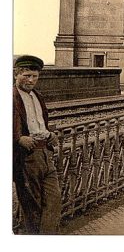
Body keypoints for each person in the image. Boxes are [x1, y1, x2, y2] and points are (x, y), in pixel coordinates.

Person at [12, 54, 62, 234]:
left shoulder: (37, 96)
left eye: (35, 76)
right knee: (32, 206)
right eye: (26, 76)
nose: (31, 80)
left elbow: (39, 123)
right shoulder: (11, 96)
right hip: (27, 156)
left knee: (54, 201)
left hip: (45, 153)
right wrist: (17, 138)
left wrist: (50, 134)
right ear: (16, 75)